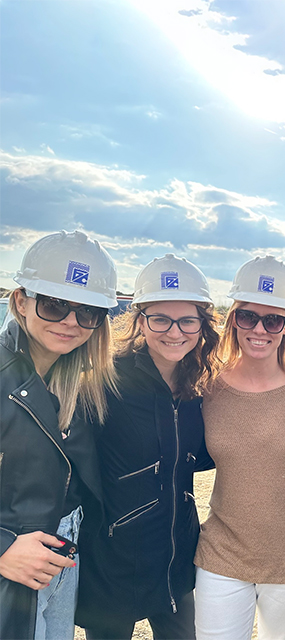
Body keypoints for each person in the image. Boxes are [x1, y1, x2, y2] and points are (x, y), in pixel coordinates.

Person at [76, 254, 220, 640]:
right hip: (111, 563)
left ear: (202, 324)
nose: (175, 332)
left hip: (175, 560)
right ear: (140, 320)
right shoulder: (103, 381)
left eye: (188, 320)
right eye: (160, 319)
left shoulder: (200, 385)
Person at [0, 230, 118, 640]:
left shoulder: (76, 383)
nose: (71, 321)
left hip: (63, 553)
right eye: (54, 305)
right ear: (21, 301)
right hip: (15, 567)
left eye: (88, 312)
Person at [194, 255, 285, 640]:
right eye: (248, 317)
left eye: (273, 319)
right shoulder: (205, 388)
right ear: (233, 320)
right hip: (220, 553)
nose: (259, 329)